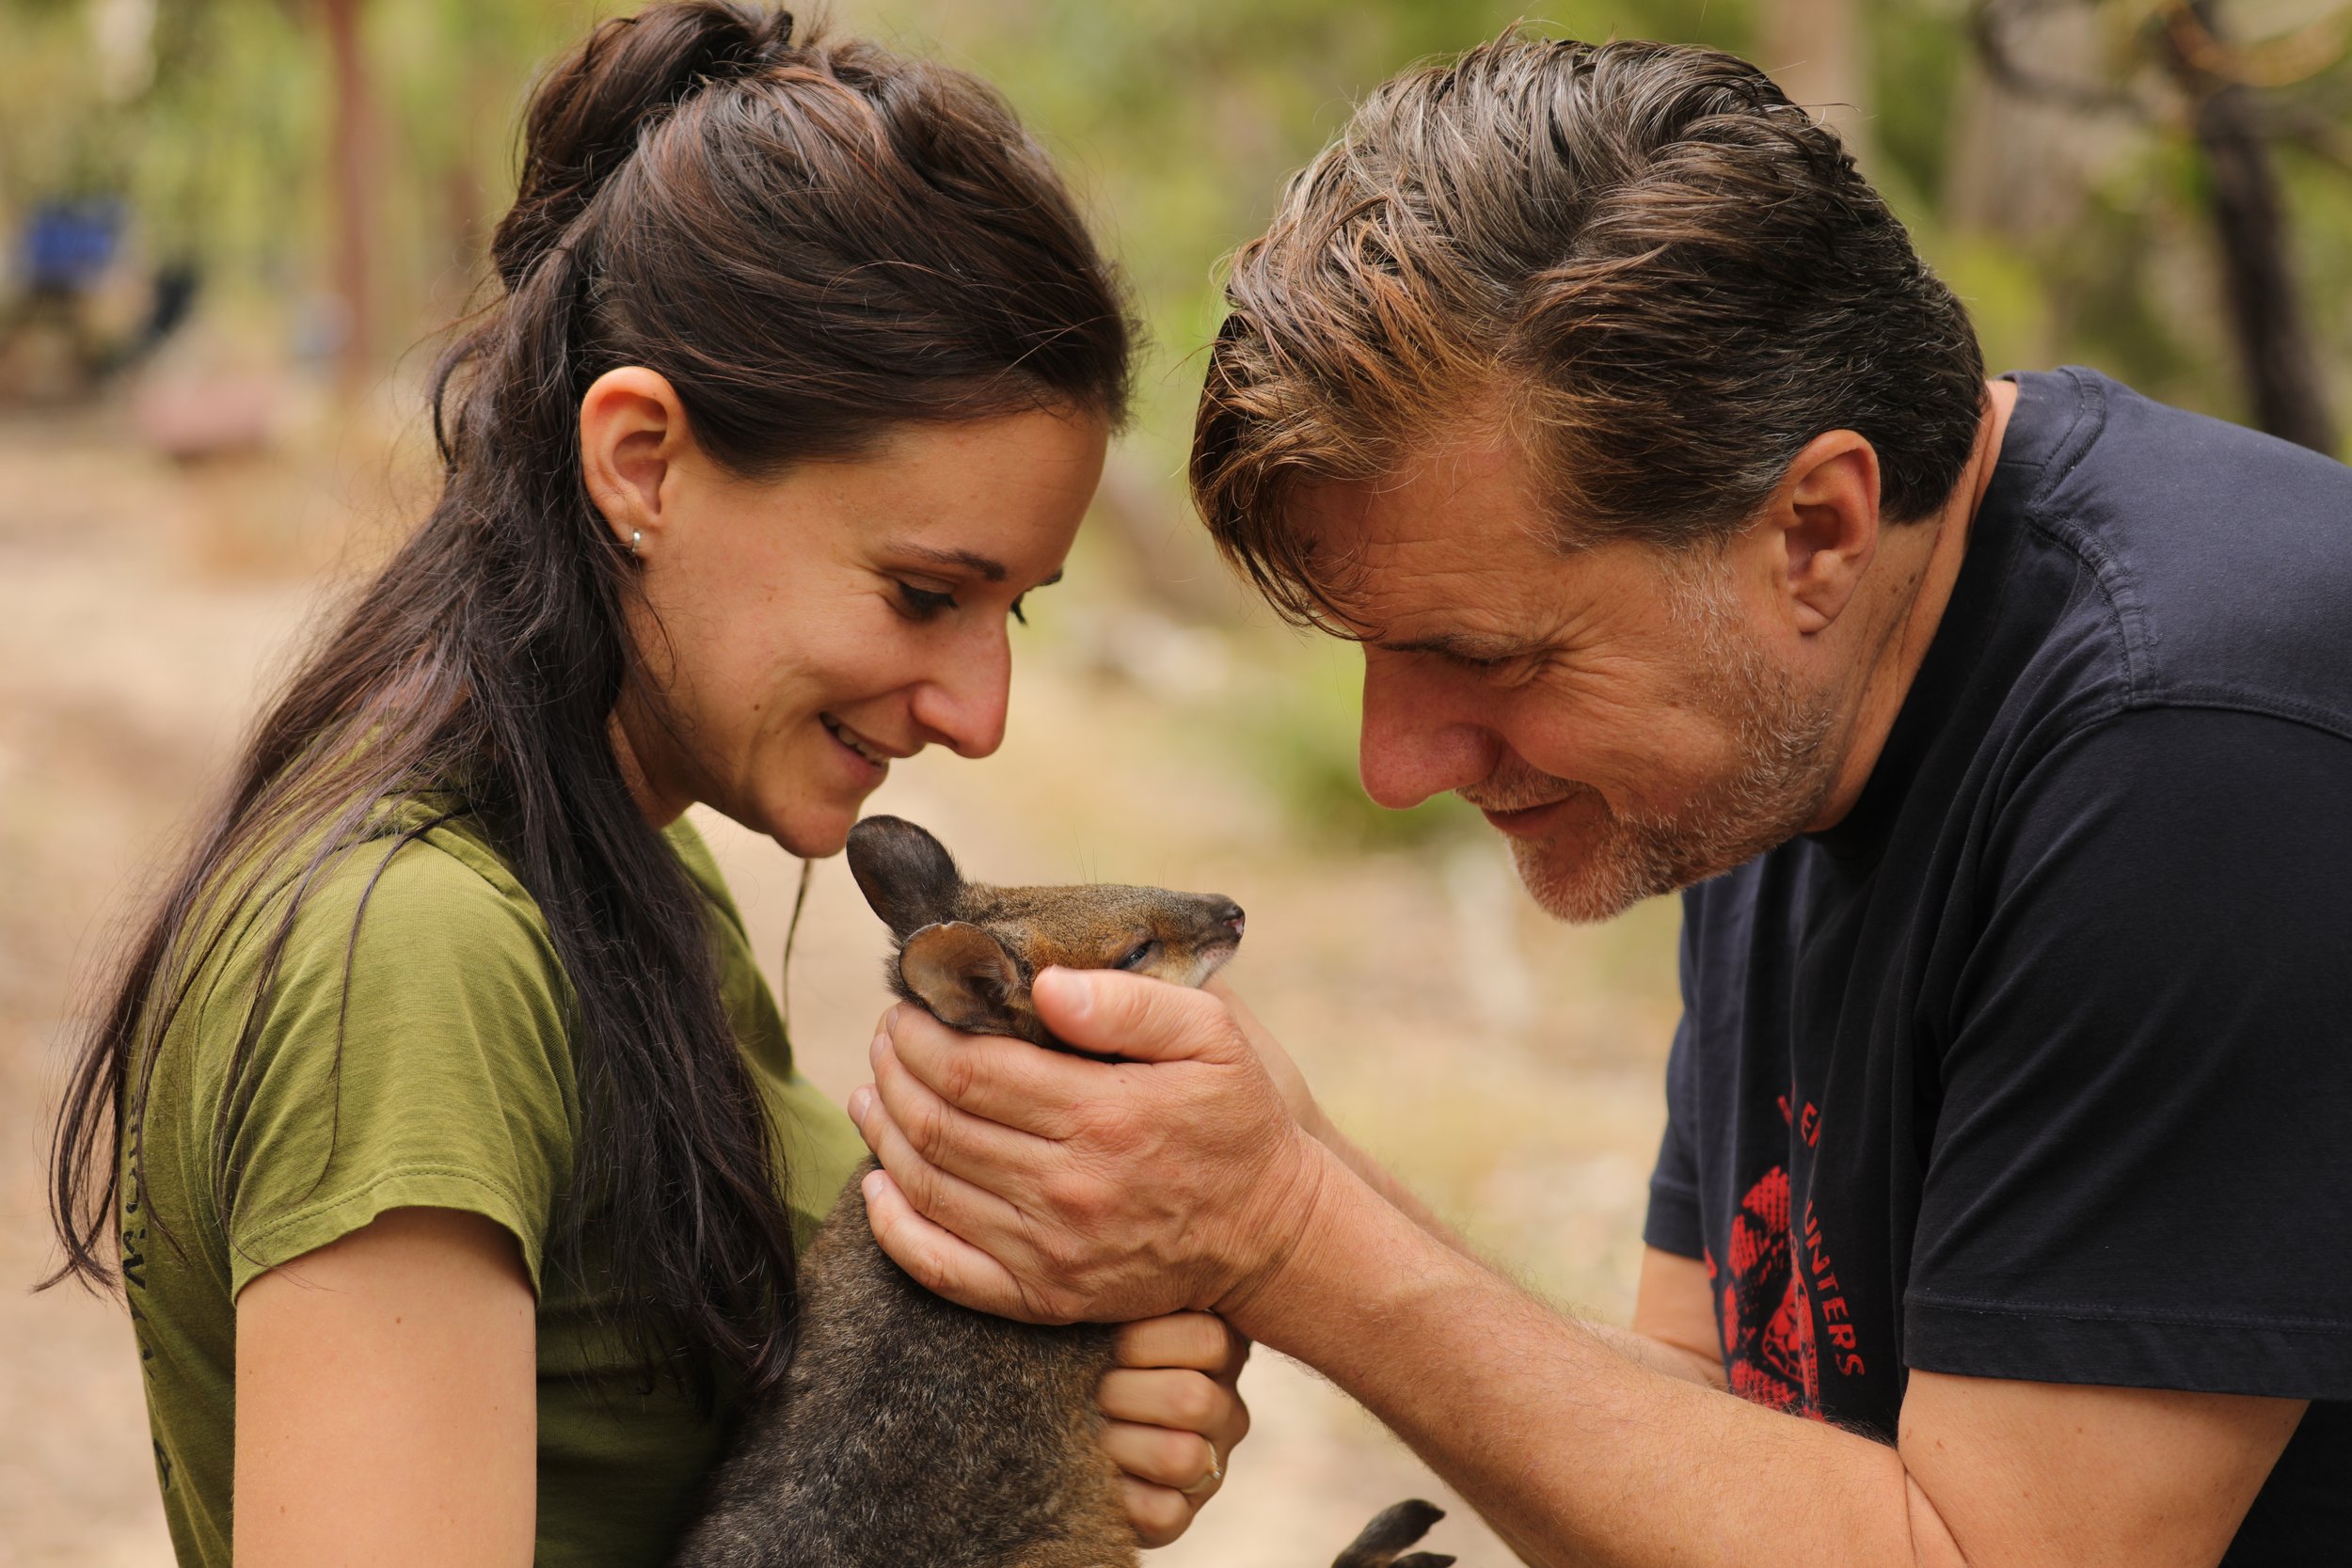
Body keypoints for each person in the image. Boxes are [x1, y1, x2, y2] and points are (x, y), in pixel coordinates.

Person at [850, 36, 2352, 1568]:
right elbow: (1712, 1425)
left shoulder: (2199, 752)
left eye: (1481, 655)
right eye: (1377, 656)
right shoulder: (1772, 724)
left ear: (1815, 530)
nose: (1396, 764)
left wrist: (1293, 1236)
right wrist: (1275, 1162)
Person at [43, 7, 1248, 1565]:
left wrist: (1049, 1427)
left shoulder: (621, 863)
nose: (981, 712)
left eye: (1011, 608)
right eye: (921, 592)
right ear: (643, 464)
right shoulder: (414, 954)